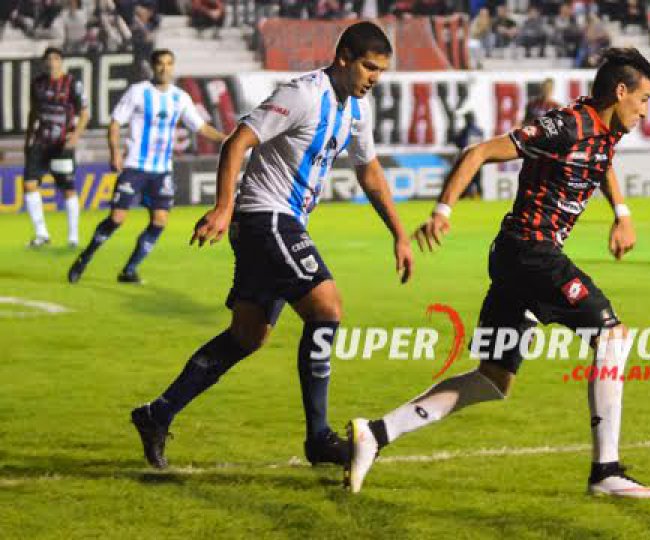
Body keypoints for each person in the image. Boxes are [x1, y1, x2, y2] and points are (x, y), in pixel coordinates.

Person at [345, 48, 650, 499]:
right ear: (621, 91)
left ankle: (375, 434)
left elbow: (602, 162)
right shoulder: (566, 124)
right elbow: (478, 152)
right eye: (645, 98)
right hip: (529, 250)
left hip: (517, 258)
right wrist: (443, 211)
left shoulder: (605, 132)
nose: (646, 108)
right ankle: (606, 471)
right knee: (612, 336)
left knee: (492, 379)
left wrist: (622, 212)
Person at [127, 22, 414, 470]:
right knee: (327, 307)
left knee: (248, 336)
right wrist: (224, 207)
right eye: (369, 67)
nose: (375, 77)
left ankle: (157, 413)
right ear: (343, 58)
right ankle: (319, 437)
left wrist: (399, 232)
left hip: (281, 222)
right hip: (266, 216)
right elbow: (237, 141)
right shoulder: (303, 94)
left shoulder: (357, 109)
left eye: (380, 70)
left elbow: (370, 171)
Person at [68, 49, 225, 284]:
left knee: (160, 221)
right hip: (134, 167)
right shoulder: (138, 92)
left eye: (169, 63)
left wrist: (228, 139)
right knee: (117, 218)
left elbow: (200, 127)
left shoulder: (180, 97)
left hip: (161, 171)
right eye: (160, 63)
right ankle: (84, 258)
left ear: (173, 67)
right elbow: (115, 123)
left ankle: (129, 270)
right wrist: (114, 154)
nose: (164, 68)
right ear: (153, 66)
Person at [22, 47, 90, 248]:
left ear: (61, 61)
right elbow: (34, 111)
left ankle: (73, 237)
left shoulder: (72, 84)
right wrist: (28, 138)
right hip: (41, 142)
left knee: (67, 189)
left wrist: (75, 136)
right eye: (48, 59)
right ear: (44, 62)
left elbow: (85, 113)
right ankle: (42, 235)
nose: (52, 62)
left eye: (56, 58)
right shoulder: (37, 84)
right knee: (29, 185)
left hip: (62, 144)